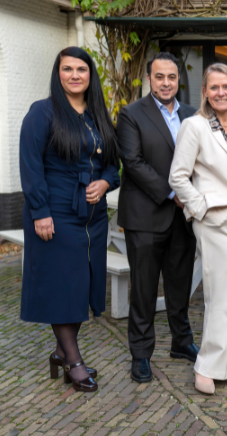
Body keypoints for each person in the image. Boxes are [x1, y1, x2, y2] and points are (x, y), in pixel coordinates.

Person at [20, 47, 120, 392]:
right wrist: (40, 212)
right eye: (67, 69)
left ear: (90, 76)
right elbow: (30, 164)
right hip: (56, 212)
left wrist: (105, 182)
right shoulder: (42, 112)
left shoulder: (97, 114)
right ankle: (73, 360)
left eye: (81, 69)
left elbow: (112, 163)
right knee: (62, 285)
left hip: (92, 217)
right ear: (58, 73)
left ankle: (62, 353)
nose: (74, 75)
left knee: (81, 285)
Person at [169, 63, 227, 395]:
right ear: (205, 92)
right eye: (215, 87)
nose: (221, 92)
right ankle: (206, 367)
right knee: (221, 291)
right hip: (215, 216)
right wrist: (200, 208)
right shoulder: (193, 126)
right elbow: (177, 177)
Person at [116, 52, 199, 384]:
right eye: (160, 76)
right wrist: (173, 193)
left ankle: (181, 341)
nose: (166, 83)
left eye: (172, 77)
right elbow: (133, 162)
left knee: (180, 285)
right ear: (149, 79)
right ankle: (140, 354)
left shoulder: (192, 114)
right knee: (144, 288)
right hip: (146, 216)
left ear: (179, 80)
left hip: (183, 218)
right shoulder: (131, 114)